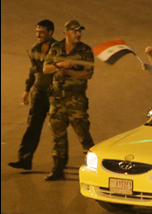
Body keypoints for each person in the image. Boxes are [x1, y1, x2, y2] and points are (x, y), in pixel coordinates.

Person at [42, 20, 95, 181]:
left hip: (76, 99)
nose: (78, 34)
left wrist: (69, 72)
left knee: (83, 133)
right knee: (57, 134)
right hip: (57, 98)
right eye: (74, 31)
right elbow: (46, 68)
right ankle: (58, 167)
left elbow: (88, 74)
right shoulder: (56, 48)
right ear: (66, 33)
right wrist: (60, 65)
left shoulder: (85, 50)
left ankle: (92, 168)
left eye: (79, 31)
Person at [8, 20, 58, 171]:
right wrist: (26, 90)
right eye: (37, 31)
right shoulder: (35, 48)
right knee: (32, 127)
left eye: (42, 32)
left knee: (57, 128)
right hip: (39, 92)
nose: (38, 35)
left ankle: (59, 164)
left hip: (54, 93)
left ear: (50, 32)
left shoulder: (58, 49)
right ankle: (24, 159)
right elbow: (33, 71)